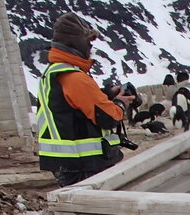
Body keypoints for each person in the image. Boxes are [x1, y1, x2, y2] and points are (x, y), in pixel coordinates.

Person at [36, 12, 134, 187]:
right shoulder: (75, 77)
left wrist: (108, 93)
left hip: (66, 163)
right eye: (88, 41)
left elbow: (71, 107)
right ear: (75, 42)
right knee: (100, 212)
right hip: (84, 164)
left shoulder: (53, 72)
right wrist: (120, 103)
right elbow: (108, 117)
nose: (90, 47)